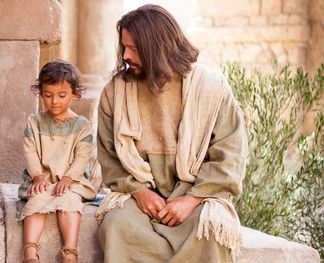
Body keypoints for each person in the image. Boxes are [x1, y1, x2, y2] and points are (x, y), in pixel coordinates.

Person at [96, 4, 248, 263]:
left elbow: (230, 156)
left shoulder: (211, 89)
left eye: (133, 48)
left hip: (197, 195)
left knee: (210, 234)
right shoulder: (115, 93)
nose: (125, 56)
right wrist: (140, 193)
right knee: (117, 227)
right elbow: (109, 156)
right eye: (123, 47)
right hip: (141, 194)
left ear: (157, 46)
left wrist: (191, 200)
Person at [19, 60, 101, 263]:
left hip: (71, 181)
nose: (54, 101)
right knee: (37, 199)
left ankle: (70, 253)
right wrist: (37, 177)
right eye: (48, 95)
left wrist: (68, 178)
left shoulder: (81, 125)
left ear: (75, 94)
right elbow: (30, 152)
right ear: (40, 92)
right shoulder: (34, 122)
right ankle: (30, 252)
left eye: (62, 95)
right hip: (43, 179)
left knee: (69, 201)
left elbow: (83, 156)